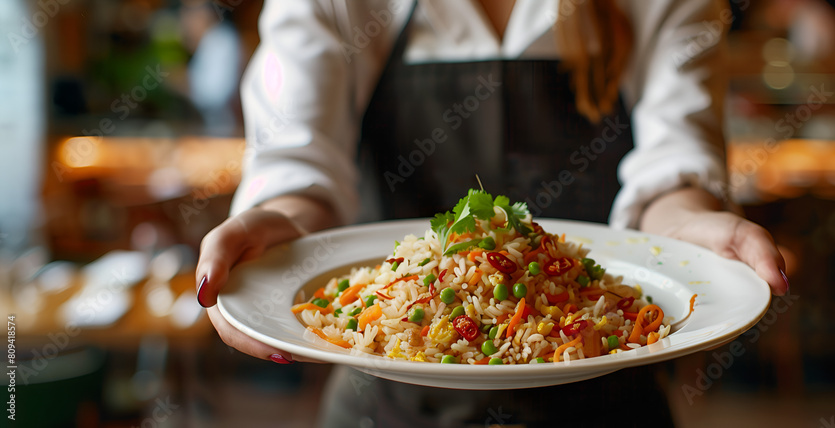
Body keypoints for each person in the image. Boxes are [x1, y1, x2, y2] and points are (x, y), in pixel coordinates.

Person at [196, 0, 789, 426]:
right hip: (384, 407)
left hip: (611, 400)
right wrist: (280, 222)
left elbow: (675, 163)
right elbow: (302, 169)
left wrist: (686, 223)